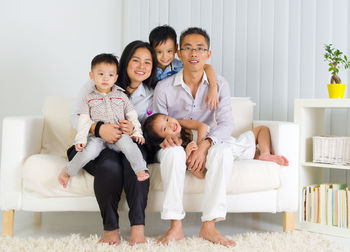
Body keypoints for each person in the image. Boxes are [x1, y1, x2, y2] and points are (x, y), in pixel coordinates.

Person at [151, 27, 243, 247]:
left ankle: (209, 226)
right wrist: (184, 148)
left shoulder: (218, 84)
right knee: (172, 154)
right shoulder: (163, 88)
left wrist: (203, 146)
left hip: (207, 140)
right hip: (175, 141)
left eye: (200, 49)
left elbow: (227, 122)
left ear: (208, 54)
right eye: (188, 49)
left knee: (222, 153)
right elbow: (157, 123)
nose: (194, 54)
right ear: (180, 54)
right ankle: (175, 226)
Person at [68, 41, 157, 245]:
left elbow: (153, 123)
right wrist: (98, 128)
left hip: (128, 143)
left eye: (147, 62)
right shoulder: (100, 81)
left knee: (136, 164)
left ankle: (137, 229)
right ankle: (110, 230)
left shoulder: (151, 94)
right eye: (136, 60)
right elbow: (74, 117)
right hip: (100, 143)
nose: (141, 67)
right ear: (125, 62)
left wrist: (134, 128)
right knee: (110, 166)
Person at [58, 54, 149, 188]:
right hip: (97, 137)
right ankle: (68, 171)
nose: (106, 78)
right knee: (88, 153)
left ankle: (140, 169)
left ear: (116, 77)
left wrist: (137, 133)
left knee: (130, 147)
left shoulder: (121, 96)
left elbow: (132, 115)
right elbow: (83, 120)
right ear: (92, 76)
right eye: (101, 74)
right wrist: (81, 140)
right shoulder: (88, 98)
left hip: (118, 134)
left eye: (110, 75)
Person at [142, 113, 289, 170]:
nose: (171, 124)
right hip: (223, 150)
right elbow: (194, 165)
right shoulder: (175, 149)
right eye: (164, 128)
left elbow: (202, 125)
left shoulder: (181, 124)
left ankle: (262, 154)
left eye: (167, 119)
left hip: (226, 144)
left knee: (262, 129)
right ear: (162, 141)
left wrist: (200, 146)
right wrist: (188, 154)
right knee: (260, 130)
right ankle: (262, 154)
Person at [149, 25, 219, 110]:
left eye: (169, 51)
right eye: (159, 52)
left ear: (176, 48)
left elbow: (207, 67)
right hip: (153, 104)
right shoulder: (148, 67)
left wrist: (213, 88)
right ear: (152, 50)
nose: (165, 56)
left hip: (174, 105)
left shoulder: (181, 65)